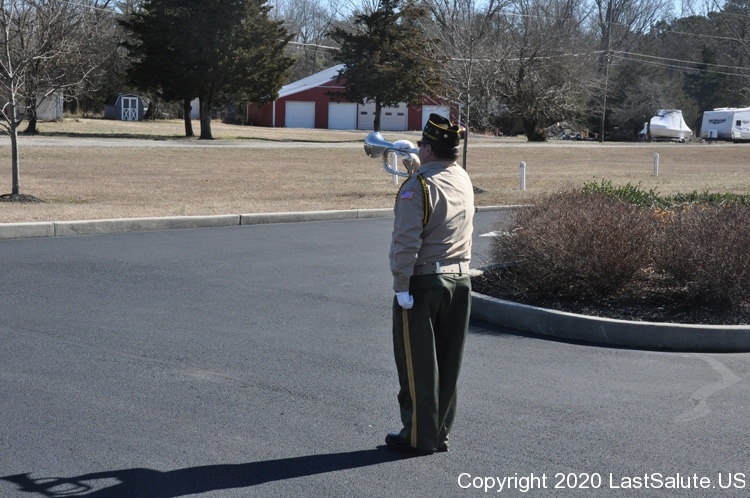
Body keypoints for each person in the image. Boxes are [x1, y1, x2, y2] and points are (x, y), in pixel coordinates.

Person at [385, 113, 474, 455]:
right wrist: (417, 166)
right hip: (460, 279)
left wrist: (400, 284)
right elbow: (439, 196)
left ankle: (417, 436)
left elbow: (407, 240)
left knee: (417, 365)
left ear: (429, 149)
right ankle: (438, 434)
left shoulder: (417, 186)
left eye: (422, 144)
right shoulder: (462, 177)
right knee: (448, 365)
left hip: (424, 282)